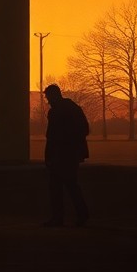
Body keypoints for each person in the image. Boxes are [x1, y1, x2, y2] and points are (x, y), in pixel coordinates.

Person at [42, 84, 90, 227]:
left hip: (62, 155)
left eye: (48, 97)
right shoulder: (73, 108)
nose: (48, 101)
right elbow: (84, 129)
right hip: (70, 154)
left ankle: (59, 218)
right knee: (70, 185)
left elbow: (51, 136)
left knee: (58, 187)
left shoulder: (56, 111)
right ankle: (81, 215)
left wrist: (50, 155)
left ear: (53, 96)